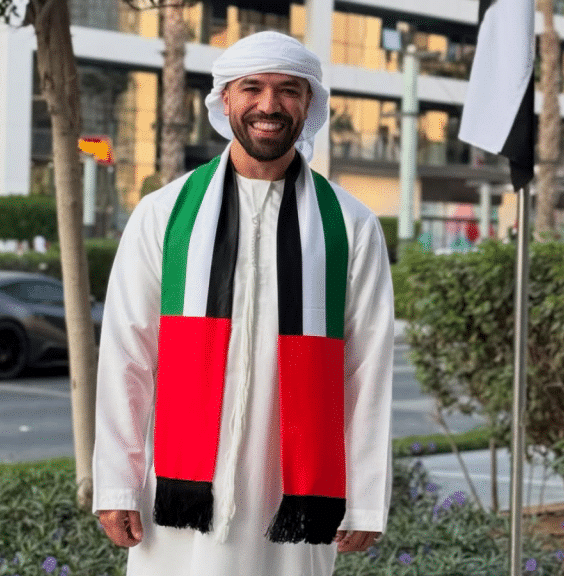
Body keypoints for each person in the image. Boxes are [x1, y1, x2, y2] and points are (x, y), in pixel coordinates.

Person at [92, 31, 394, 576]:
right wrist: (117, 483)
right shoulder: (164, 215)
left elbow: (368, 368)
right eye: (252, 88)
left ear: (309, 103)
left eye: (288, 90)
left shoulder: (350, 225)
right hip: (178, 497)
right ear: (225, 99)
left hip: (294, 496)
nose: (269, 105)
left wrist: (367, 496)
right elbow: (126, 354)